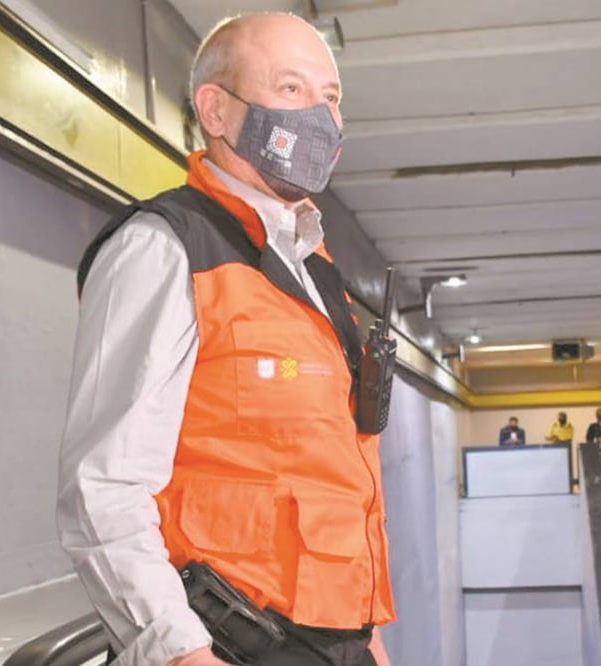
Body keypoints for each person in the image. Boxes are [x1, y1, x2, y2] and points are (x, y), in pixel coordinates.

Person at [57, 14, 395, 666]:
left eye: (331, 98)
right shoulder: (163, 249)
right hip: (232, 646)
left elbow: (334, 478)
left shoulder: (315, 272)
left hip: (338, 644)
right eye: (291, 89)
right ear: (215, 109)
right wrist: (179, 653)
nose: (320, 116)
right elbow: (104, 486)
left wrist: (368, 637)